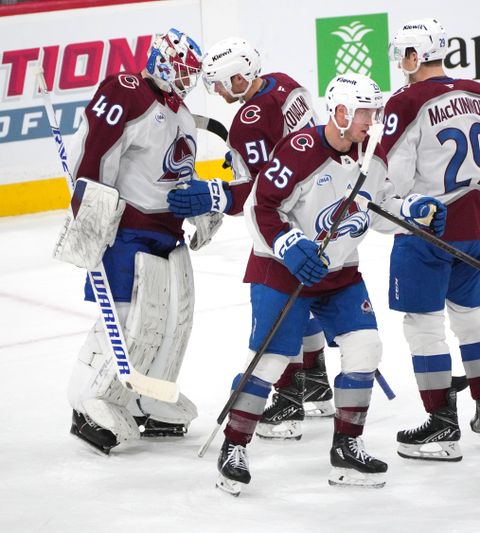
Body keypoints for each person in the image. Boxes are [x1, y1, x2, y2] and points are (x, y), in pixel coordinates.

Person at [212, 72, 446, 496]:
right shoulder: (299, 151)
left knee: (365, 348)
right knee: (269, 360)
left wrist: (415, 210)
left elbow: (378, 210)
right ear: (339, 111)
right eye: (363, 112)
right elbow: (260, 207)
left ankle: (347, 447)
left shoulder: (371, 159)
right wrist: (288, 243)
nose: (370, 121)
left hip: (339, 273)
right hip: (282, 269)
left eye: (373, 112)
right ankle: (233, 445)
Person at [170, 37, 335, 442]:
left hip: (284, 220)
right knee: (304, 296)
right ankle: (315, 383)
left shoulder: (248, 120)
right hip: (322, 204)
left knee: (278, 302)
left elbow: (261, 193)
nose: (217, 92)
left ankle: (290, 399)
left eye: (220, 84)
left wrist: (217, 193)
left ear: (240, 77)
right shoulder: (286, 83)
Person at [59, 28, 204, 453]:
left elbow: (179, 175)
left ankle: (148, 396)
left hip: (167, 233)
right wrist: (88, 212)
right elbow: (95, 150)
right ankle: (90, 399)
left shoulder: (179, 112)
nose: (186, 79)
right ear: (159, 59)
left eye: (190, 73)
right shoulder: (127, 91)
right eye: (181, 68)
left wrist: (199, 209)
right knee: (125, 321)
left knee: (172, 318)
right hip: (127, 230)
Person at [382, 18, 480, 460]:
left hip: (427, 230)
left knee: (424, 327)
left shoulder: (406, 100)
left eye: (403, 54)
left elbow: (393, 179)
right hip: (475, 227)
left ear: (416, 56)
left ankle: (441, 423)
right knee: (473, 317)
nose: (400, 63)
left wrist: (398, 206)